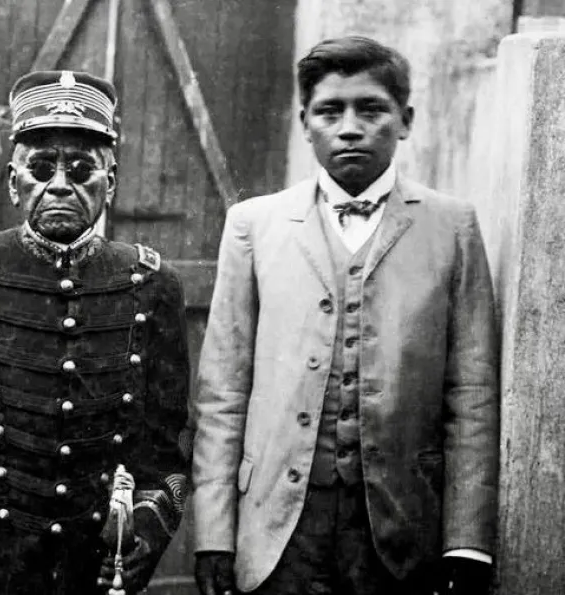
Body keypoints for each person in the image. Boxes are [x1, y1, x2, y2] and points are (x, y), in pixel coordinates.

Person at [192, 36, 499, 595]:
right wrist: (215, 534)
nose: (350, 128)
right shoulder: (254, 225)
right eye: (330, 111)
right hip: (279, 528)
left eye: (371, 109)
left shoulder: (453, 227)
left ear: (405, 121)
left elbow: (472, 395)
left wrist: (467, 541)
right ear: (304, 124)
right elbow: (223, 393)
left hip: (403, 529)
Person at [0, 70, 190, 595]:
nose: (59, 185)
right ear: (14, 182)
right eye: (40, 167)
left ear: (110, 183)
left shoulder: (155, 285)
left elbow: (166, 440)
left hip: (95, 565)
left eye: (82, 169)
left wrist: (144, 529)